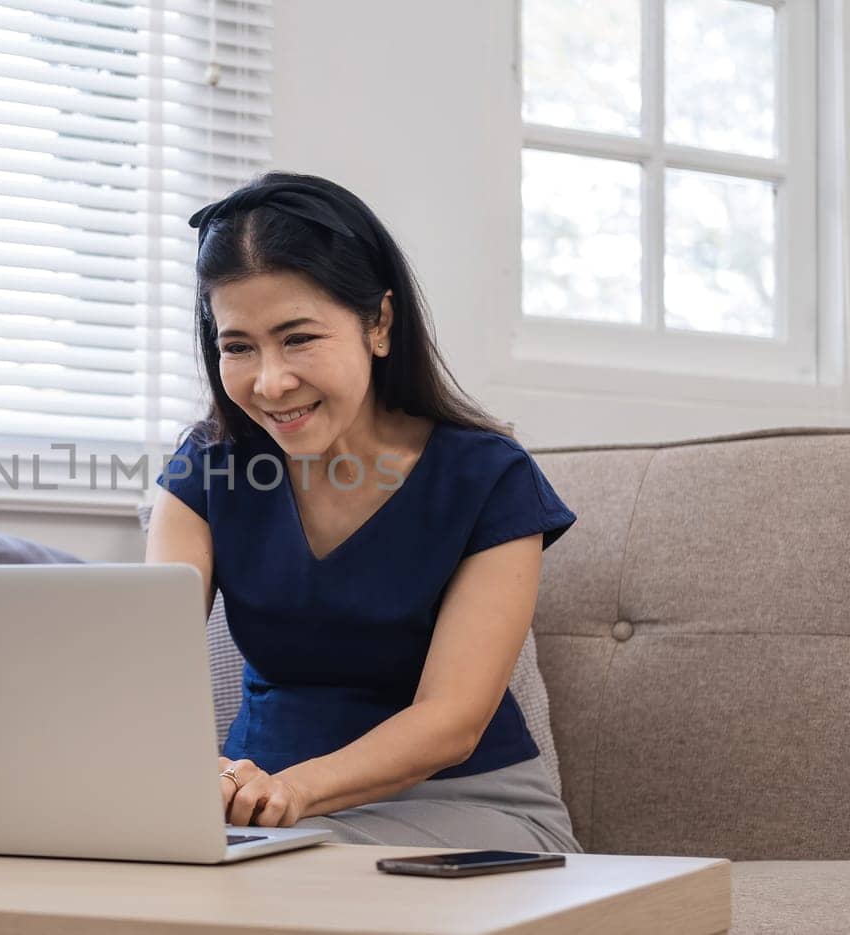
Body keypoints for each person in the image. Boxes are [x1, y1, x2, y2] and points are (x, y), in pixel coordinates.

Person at [147, 172, 582, 853]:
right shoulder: (207, 468)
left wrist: (295, 791)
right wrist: (215, 776)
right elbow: (149, 671)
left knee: (275, 887)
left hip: (464, 804)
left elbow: (452, 719)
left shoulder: (489, 478)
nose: (269, 381)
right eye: (238, 346)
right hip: (256, 818)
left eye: (298, 338)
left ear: (379, 323)